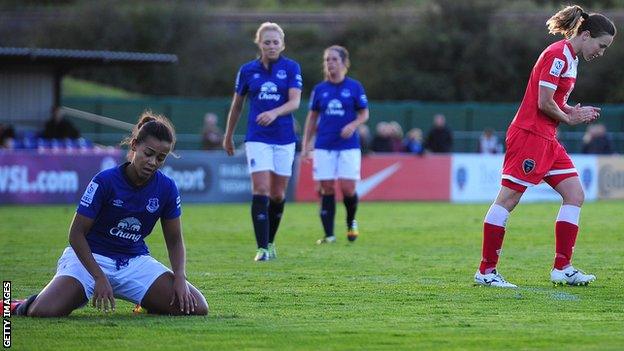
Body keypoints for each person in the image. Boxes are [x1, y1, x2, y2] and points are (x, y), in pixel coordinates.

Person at [10, 111, 209, 317]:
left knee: (198, 307)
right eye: (148, 153)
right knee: (43, 312)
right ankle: (19, 305)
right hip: (91, 260)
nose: (153, 162)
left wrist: (179, 277)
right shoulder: (104, 181)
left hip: (133, 261)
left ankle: (148, 302)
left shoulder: (167, 188)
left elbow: (175, 240)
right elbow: (76, 235)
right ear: (134, 146)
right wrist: (99, 277)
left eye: (160, 157)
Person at [474, 5, 615, 288]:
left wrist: (569, 112)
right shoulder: (557, 55)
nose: (602, 52)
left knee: (575, 194)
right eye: (601, 45)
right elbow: (543, 102)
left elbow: (554, 102)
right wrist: (568, 117)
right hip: (530, 135)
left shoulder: (571, 59)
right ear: (586, 35)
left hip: (548, 138)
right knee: (508, 200)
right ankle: (486, 272)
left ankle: (562, 268)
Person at [222, 22, 303, 261]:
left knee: (278, 194)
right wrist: (228, 135)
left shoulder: (291, 67)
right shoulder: (247, 70)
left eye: (275, 42)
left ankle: (270, 241)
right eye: (267, 41)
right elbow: (237, 106)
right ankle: (261, 249)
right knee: (261, 189)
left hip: (284, 138)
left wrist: (275, 112)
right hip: (257, 137)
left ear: (282, 44)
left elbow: (295, 102)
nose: (271, 46)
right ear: (259, 43)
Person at [301, 45, 369, 244]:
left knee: (348, 188)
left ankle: (350, 221)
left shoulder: (354, 87)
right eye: (327, 59)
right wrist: (306, 146)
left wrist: (354, 124)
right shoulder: (320, 90)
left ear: (344, 63)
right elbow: (312, 119)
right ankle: (329, 235)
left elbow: (364, 113)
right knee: (326, 187)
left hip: (348, 146)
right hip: (324, 145)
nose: (330, 63)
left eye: (334, 59)